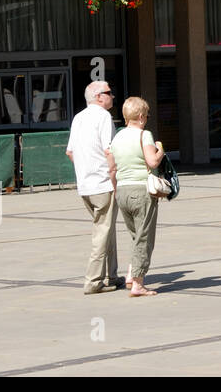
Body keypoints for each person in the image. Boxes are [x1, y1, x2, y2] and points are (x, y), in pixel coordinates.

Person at [65, 80, 121, 295]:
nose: (112, 96)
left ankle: (111, 275)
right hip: (102, 183)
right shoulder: (103, 116)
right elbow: (110, 151)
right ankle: (93, 281)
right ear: (99, 96)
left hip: (86, 184)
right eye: (109, 92)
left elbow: (70, 152)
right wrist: (114, 178)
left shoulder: (79, 117)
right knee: (102, 232)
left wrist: (84, 170)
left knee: (107, 230)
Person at [109, 96, 165, 298]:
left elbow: (112, 168)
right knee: (144, 237)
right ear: (141, 116)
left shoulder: (117, 138)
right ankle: (138, 284)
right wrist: (160, 151)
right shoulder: (145, 135)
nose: (147, 118)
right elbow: (152, 162)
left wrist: (116, 190)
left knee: (135, 235)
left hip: (122, 190)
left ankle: (131, 276)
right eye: (147, 115)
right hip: (142, 190)